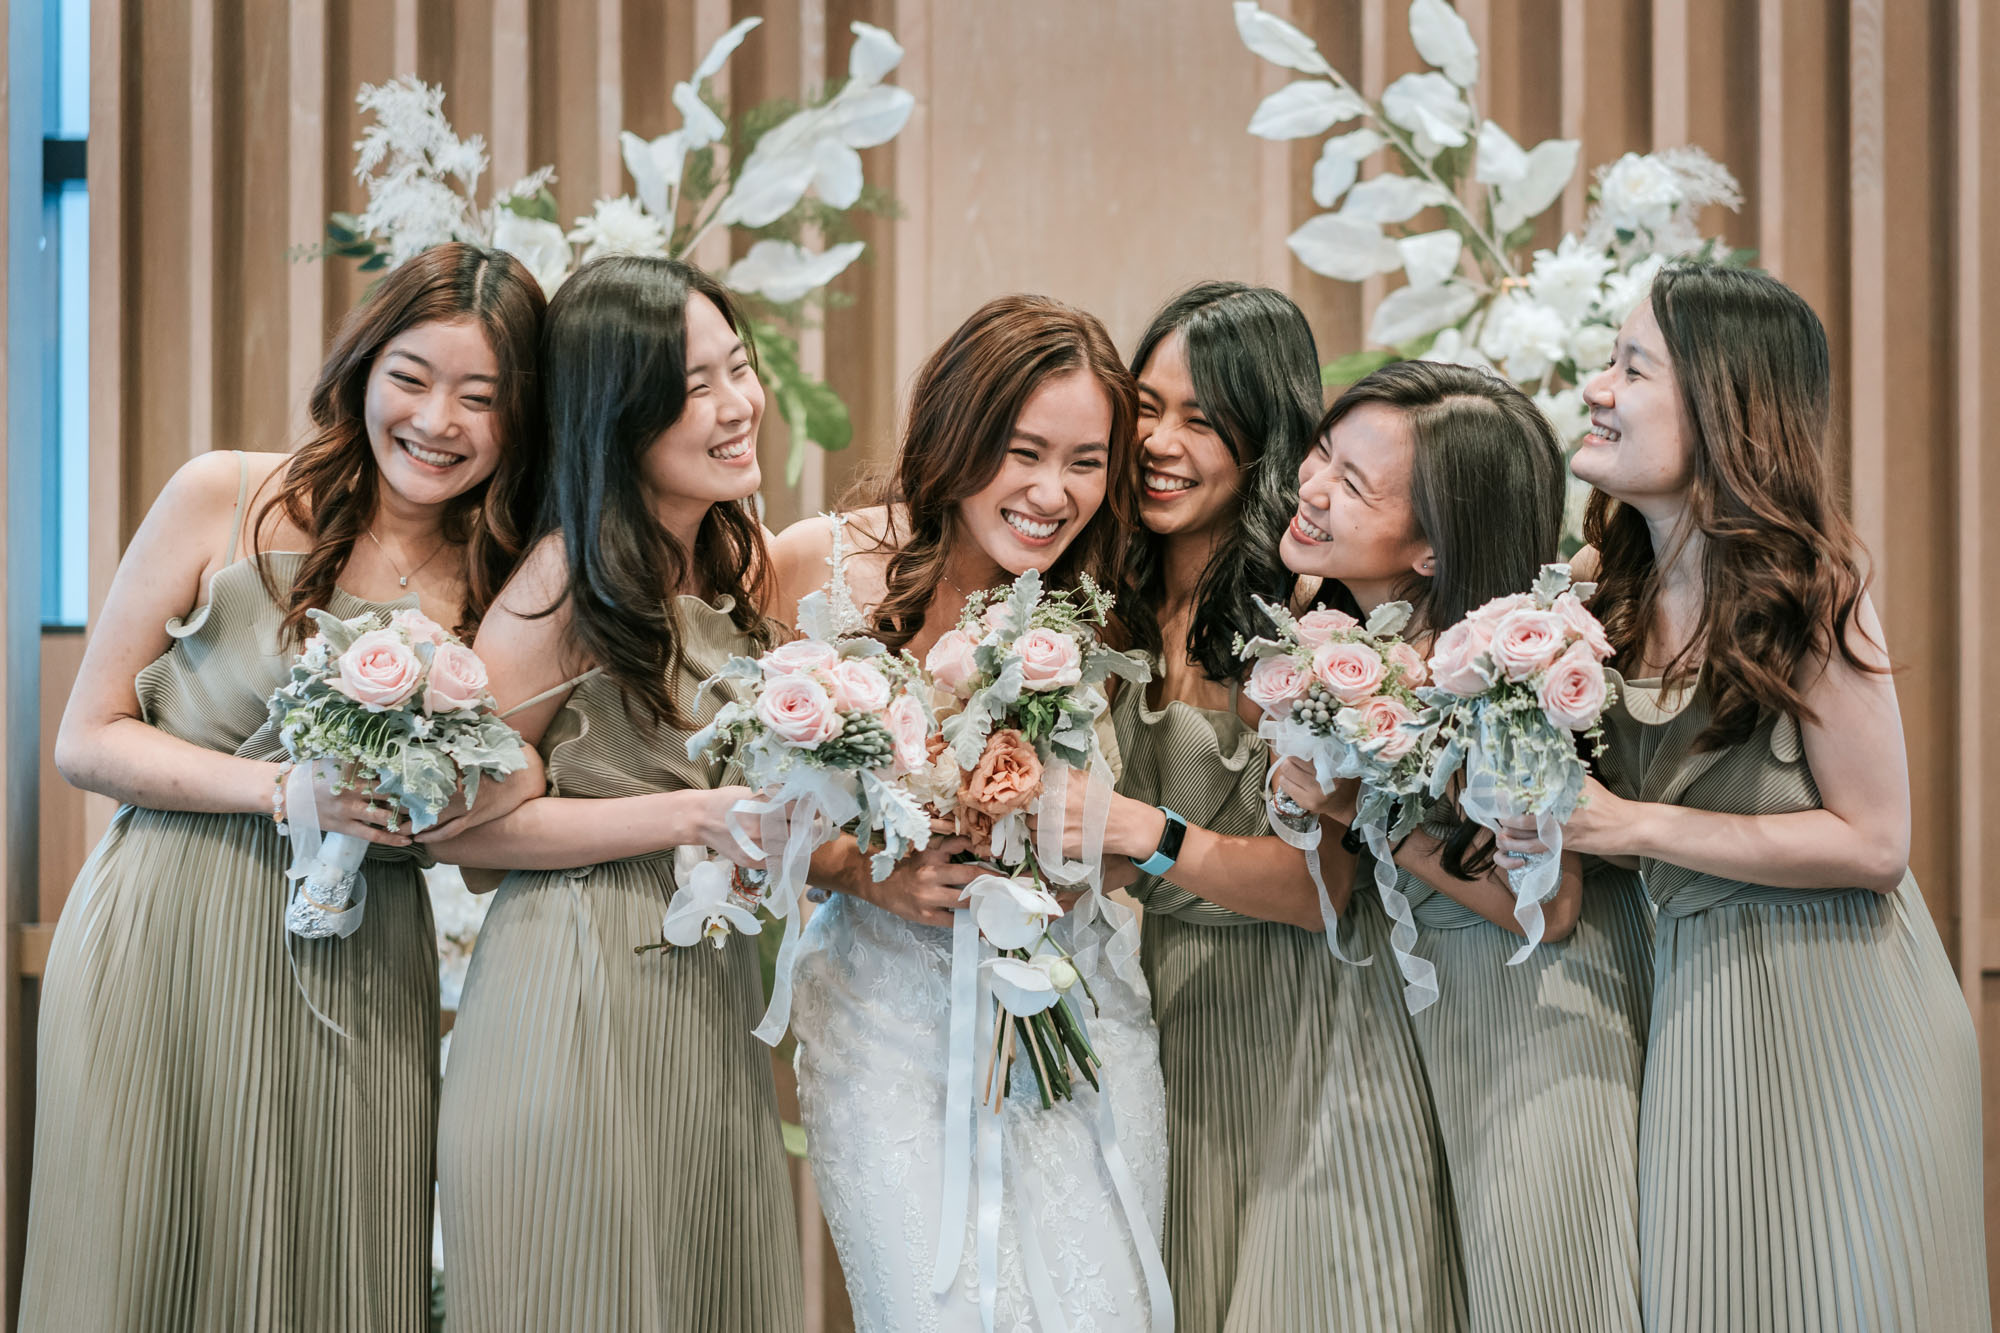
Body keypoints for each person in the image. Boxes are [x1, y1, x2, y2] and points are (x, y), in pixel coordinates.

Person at [21, 242, 546, 1332]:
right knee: (137, 1255)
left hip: (361, 955)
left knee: (331, 1262)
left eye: (480, 396)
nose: (437, 420)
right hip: (168, 921)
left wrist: (497, 778)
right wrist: (282, 792)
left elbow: (500, 798)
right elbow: (87, 737)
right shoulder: (226, 493)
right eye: (411, 377)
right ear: (363, 368)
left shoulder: (506, 580)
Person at [1498, 261, 1988, 1329]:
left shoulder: (1812, 592)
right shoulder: (1593, 594)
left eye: (1632, 369)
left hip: (1846, 1009)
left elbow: (1875, 843)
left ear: (1725, 408)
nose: (1595, 388)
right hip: (1700, 1004)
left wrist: (1631, 824)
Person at [771, 294, 1170, 1331]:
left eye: (1085, 463)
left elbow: (1114, 848)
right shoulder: (816, 562)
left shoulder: (1093, 605)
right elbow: (740, 799)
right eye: (1022, 451)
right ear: (956, 431)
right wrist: (862, 869)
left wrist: (1071, 852)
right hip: (884, 1030)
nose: (1051, 492)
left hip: (1076, 1024)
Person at [429, 255, 804, 1330]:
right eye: (693, 388)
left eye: (738, 368)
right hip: (576, 974)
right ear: (617, 415)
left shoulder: (722, 562)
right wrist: (692, 815)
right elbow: (461, 825)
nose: (736, 405)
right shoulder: (565, 575)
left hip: (697, 987)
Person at [1088, 286, 1467, 1331]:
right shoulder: (1106, 603)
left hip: (1304, 1018)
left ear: (1263, 442)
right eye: (1145, 408)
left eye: (1201, 420)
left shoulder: (1308, 616)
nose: (1159, 443)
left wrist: (1147, 838)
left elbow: (1318, 886)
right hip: (1165, 1014)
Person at [1274, 358, 1650, 1332]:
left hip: (1528, 1015)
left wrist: (1359, 810)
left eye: (1353, 484)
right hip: (1426, 1012)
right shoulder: (1355, 635)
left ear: (1433, 550)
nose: (1312, 487)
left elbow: (1548, 906)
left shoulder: (1492, 668)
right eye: (1322, 454)